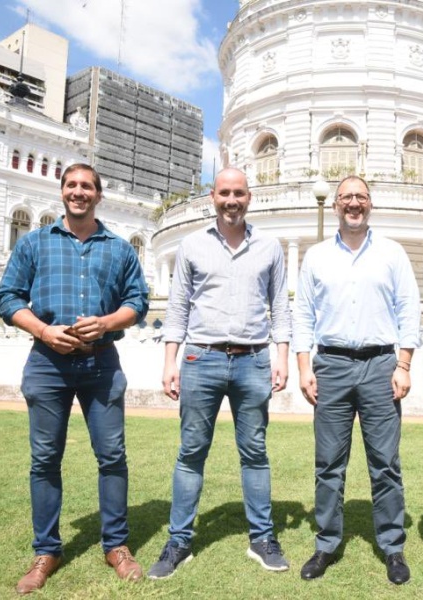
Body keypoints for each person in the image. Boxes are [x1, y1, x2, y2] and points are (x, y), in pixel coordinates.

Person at [0, 163, 149, 595]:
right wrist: (44, 331)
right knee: (45, 459)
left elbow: (138, 301)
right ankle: (47, 551)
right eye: (71, 185)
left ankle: (116, 545)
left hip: (101, 364)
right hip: (48, 363)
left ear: (99, 195)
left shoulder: (119, 249)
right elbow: (7, 297)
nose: (78, 192)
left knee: (112, 456)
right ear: (62, 191)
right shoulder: (34, 243)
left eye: (86, 186)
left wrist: (106, 323)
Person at [148, 167, 291, 579]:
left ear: (249, 197)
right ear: (213, 196)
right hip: (201, 359)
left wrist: (281, 356)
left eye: (239, 193)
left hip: (253, 360)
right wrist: (169, 361)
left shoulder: (269, 247)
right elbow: (178, 307)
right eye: (224, 193)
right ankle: (179, 541)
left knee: (255, 453)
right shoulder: (192, 245)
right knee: (191, 452)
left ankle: (262, 538)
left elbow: (280, 307)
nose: (232, 200)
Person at [293, 175, 421, 585]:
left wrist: (404, 364)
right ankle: (326, 544)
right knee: (329, 464)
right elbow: (302, 315)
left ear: (370, 204)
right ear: (335, 205)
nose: (353, 203)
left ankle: (393, 547)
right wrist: (304, 367)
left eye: (360, 197)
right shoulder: (316, 257)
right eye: (346, 197)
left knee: (385, 463)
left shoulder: (392, 253)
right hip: (330, 366)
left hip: (380, 365)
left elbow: (409, 309)